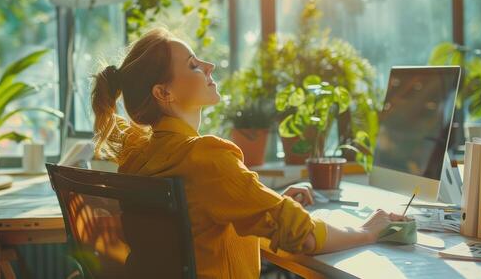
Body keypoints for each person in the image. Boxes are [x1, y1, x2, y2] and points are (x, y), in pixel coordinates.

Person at [91, 27, 407, 278]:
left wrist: (268, 198)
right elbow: (305, 238)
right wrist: (366, 231)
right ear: (163, 93)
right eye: (193, 65)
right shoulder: (206, 157)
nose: (209, 66)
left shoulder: (138, 157)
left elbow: (204, 209)